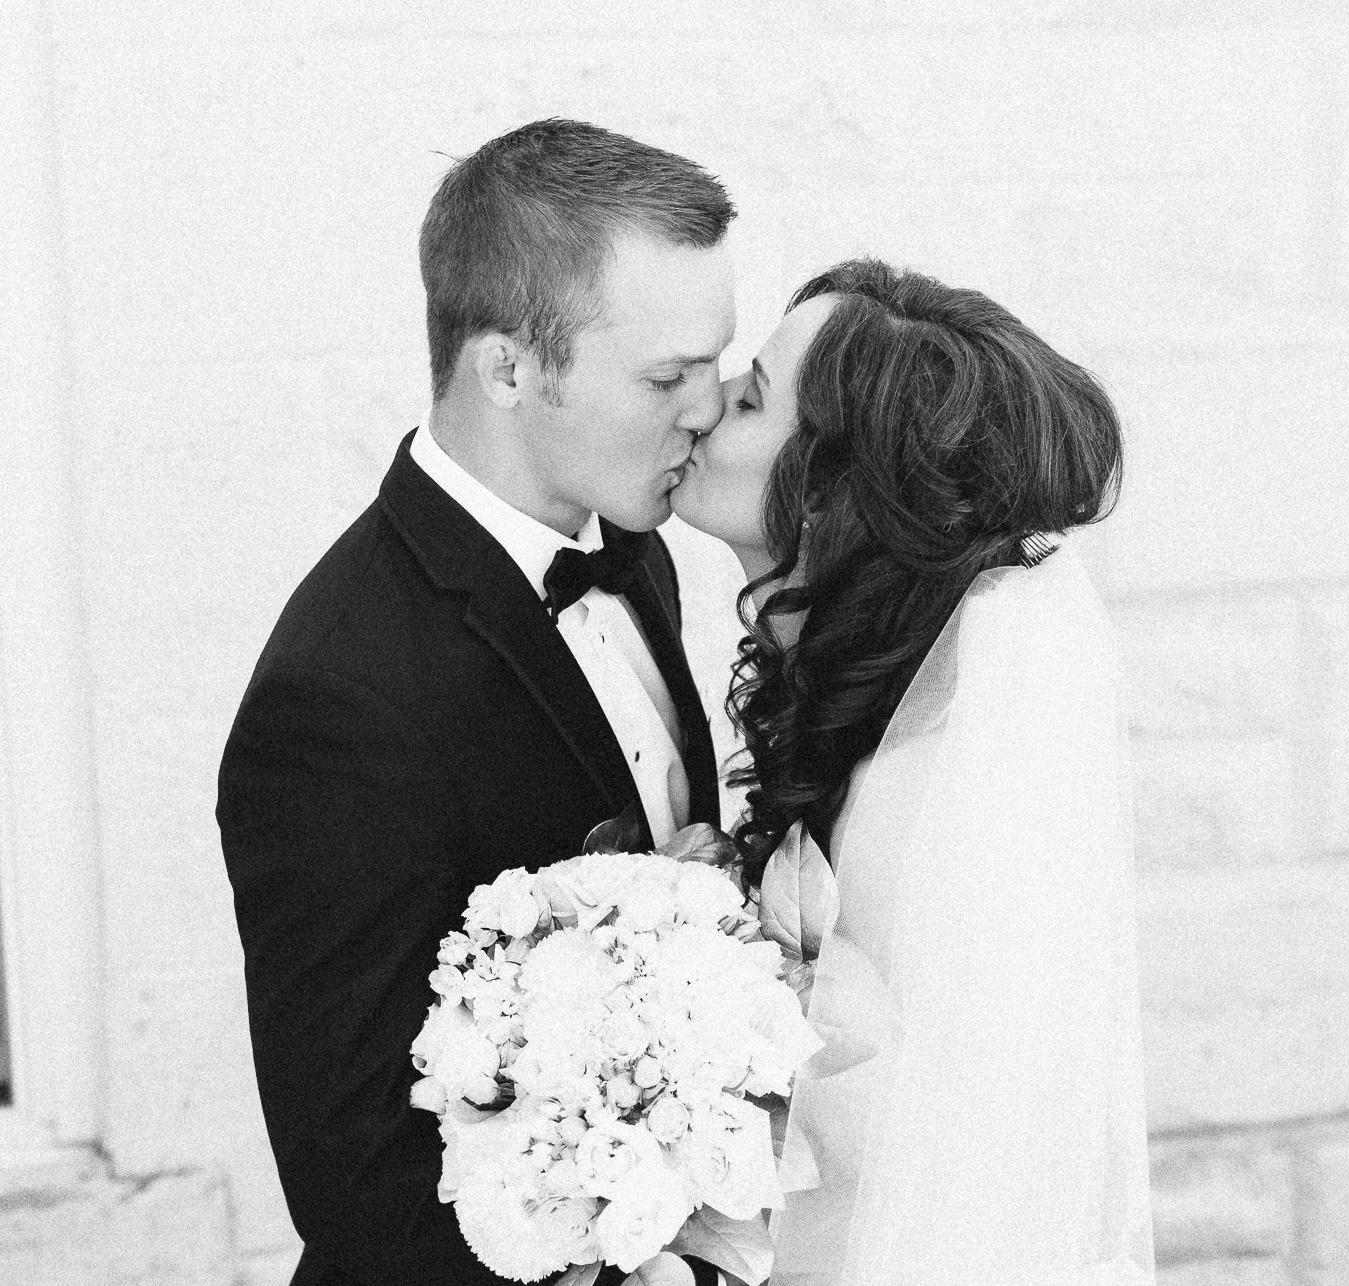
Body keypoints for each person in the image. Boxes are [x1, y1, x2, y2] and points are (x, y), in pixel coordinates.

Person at [217, 119, 735, 1286]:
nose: (706, 408)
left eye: (715, 361)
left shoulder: (632, 551)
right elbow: (356, 1176)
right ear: (507, 368)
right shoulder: (338, 699)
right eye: (666, 375)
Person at [672, 259, 1155, 1285]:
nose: (704, 407)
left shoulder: (926, 799)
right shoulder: (866, 721)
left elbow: (931, 1165)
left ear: (842, 494)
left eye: (751, 397)